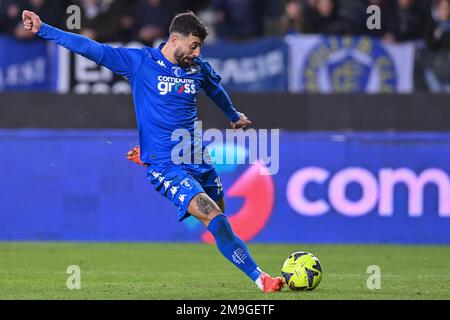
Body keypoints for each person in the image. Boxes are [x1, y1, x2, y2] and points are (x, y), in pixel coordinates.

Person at [21, 9, 284, 292]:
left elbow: (215, 90)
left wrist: (233, 116)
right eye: (193, 45)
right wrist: (43, 28)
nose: (197, 52)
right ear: (174, 40)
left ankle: (147, 154)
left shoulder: (198, 67)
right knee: (213, 216)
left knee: (220, 215)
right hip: (166, 165)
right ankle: (262, 279)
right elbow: (90, 47)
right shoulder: (140, 62)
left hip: (196, 156)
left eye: (200, 47)